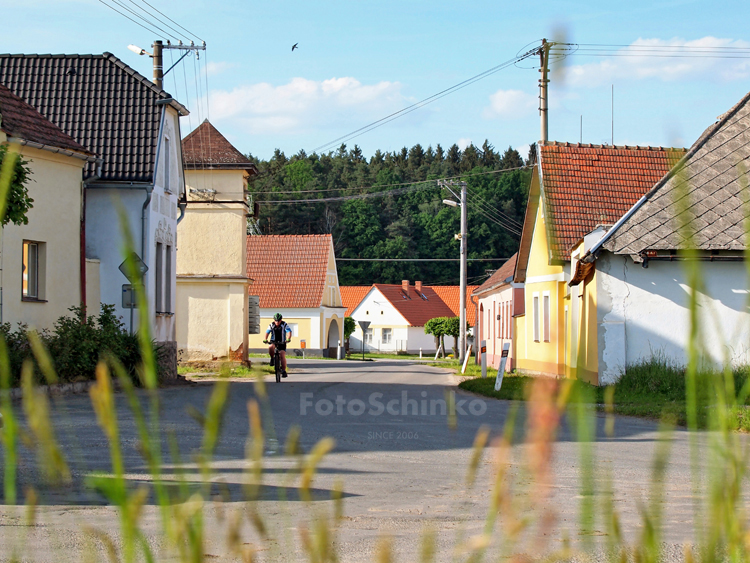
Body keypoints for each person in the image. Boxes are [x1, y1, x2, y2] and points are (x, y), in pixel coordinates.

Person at [264, 313, 292, 377]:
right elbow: (267, 332)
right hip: (273, 341)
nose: (277, 322)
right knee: (271, 347)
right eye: (276, 320)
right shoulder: (271, 325)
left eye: (278, 320)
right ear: (274, 320)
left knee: (282, 355)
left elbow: (289, 332)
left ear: (281, 320)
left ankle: (284, 371)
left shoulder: (284, 324)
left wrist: (288, 338)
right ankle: (272, 358)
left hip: (282, 341)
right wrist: (265, 339)